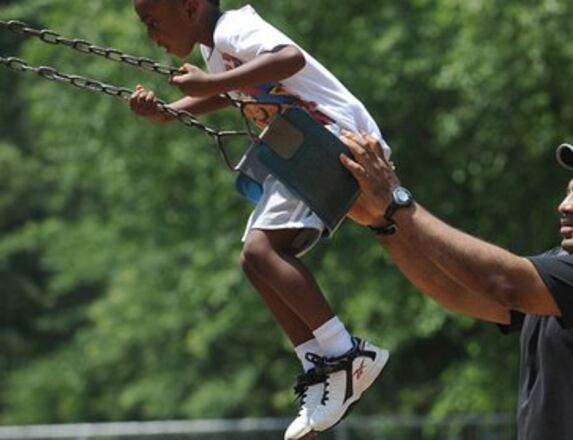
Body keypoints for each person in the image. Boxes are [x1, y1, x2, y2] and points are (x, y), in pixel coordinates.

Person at [127, 1, 389, 438]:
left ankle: (348, 355)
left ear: (190, 7)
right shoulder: (215, 51)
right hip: (305, 145)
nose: (152, 36)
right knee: (255, 261)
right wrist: (171, 109)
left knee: (263, 250)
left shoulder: (233, 28)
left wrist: (214, 80)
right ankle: (319, 363)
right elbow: (226, 92)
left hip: (335, 137)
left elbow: (289, 59)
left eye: (153, 22)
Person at [339, 133, 573, 440]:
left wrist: (397, 202)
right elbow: (458, 292)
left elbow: (504, 283)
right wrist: (384, 226)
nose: (564, 205)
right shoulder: (571, 274)